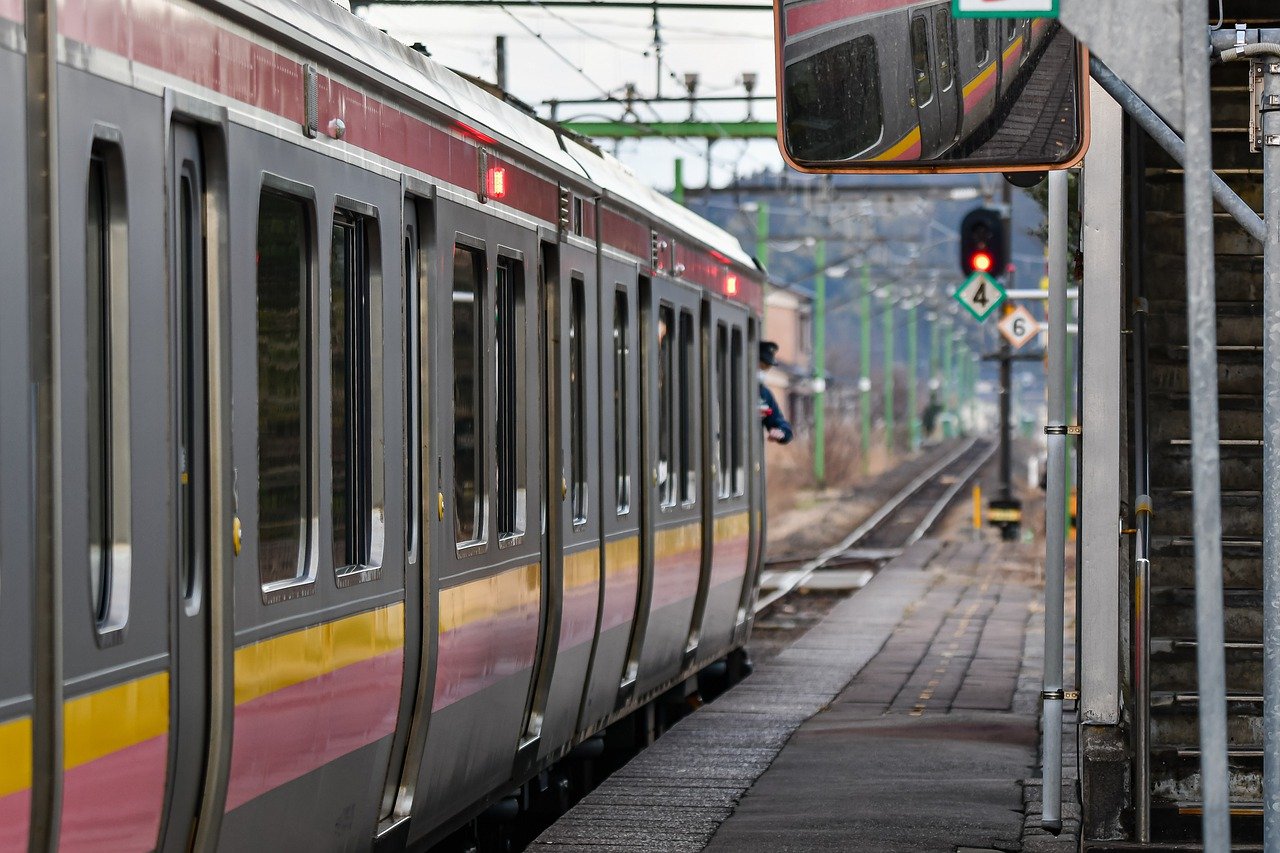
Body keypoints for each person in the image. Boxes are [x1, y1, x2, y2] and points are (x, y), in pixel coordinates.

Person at [758, 341, 794, 444]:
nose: (762, 371)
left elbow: (779, 421)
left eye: (766, 367)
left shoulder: (763, 394)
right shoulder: (731, 385)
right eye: (761, 365)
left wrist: (781, 431)